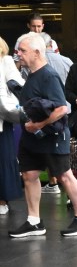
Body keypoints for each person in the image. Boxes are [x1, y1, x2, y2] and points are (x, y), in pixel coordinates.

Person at [8, 32, 77, 238]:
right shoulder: (32, 74)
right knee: (29, 175)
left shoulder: (49, 75)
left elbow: (61, 109)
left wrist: (38, 124)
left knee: (65, 175)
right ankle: (34, 221)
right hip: (33, 138)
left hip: (52, 137)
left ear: (37, 53)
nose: (19, 54)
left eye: (23, 50)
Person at [39, 32, 73, 194]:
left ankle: (53, 182)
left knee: (47, 149)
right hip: (67, 112)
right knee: (63, 152)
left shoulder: (36, 66)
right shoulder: (67, 61)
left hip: (45, 113)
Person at [0, 36, 24, 215]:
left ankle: (2, 200)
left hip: (3, 119)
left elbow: (18, 85)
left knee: (4, 159)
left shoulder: (6, 62)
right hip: (4, 117)